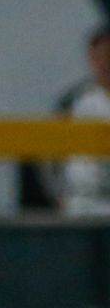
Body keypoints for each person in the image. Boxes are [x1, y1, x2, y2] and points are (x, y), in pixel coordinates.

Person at [59, 28, 110, 218]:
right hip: (83, 205)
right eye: (98, 57)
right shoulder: (75, 103)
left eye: (108, 56)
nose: (104, 64)